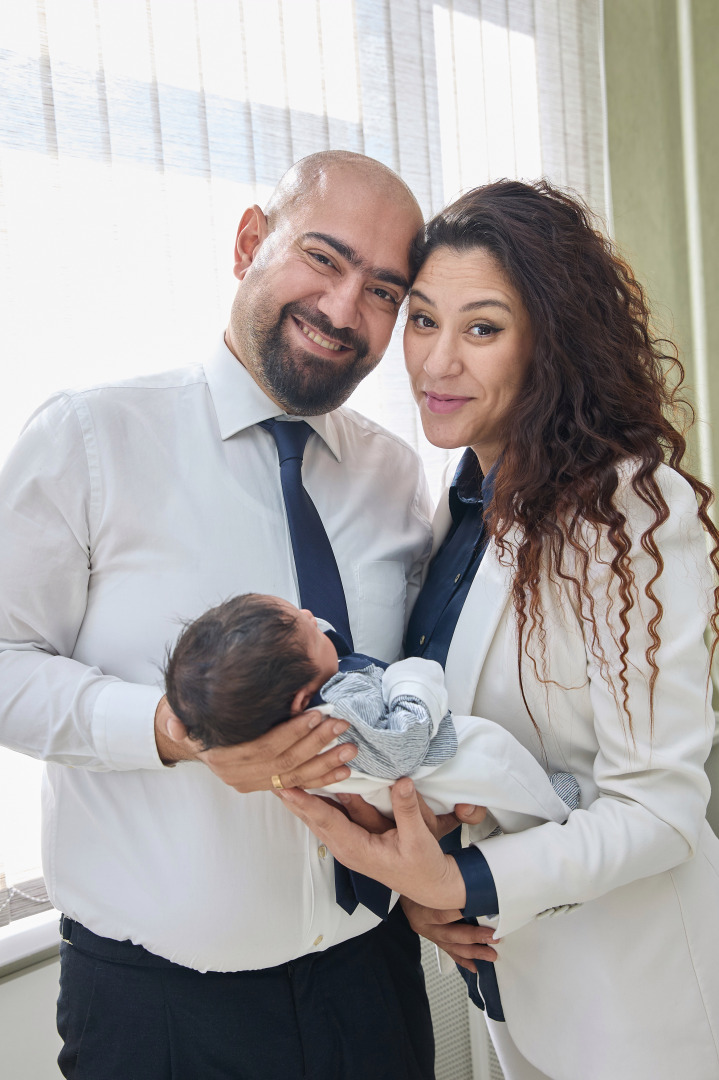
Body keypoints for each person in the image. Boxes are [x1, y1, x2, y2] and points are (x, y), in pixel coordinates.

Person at [0, 151, 451, 1079]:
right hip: (156, 1014)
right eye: (322, 259)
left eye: (381, 291)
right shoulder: (90, 440)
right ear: (251, 240)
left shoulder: (396, 477)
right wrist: (170, 730)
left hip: (370, 984)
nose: (341, 310)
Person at [276, 179, 719, 1080]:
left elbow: (661, 808)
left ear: (549, 345)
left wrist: (466, 884)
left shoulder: (625, 511)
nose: (436, 363)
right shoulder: (464, 507)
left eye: (481, 328)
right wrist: (428, 886)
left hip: (635, 1000)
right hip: (512, 982)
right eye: (423, 320)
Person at [164, 592, 579, 826]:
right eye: (309, 631)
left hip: (410, 795)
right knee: (496, 757)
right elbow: (404, 742)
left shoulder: (275, 717)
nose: (312, 615)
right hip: (439, 769)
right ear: (303, 701)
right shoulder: (340, 714)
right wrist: (412, 679)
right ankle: (555, 811)